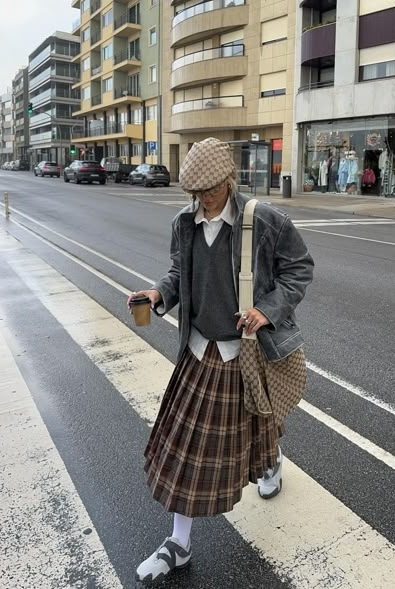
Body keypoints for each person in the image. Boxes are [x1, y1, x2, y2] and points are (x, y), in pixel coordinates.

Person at [127, 137, 314, 583]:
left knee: (259, 423)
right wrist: (158, 293)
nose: (203, 199)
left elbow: (299, 268)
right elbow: (178, 273)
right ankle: (179, 544)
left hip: (246, 350)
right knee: (186, 450)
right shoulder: (184, 222)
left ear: (229, 180)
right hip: (198, 350)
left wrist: (267, 310)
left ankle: (271, 462)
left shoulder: (263, 220)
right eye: (195, 192)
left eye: (209, 189)